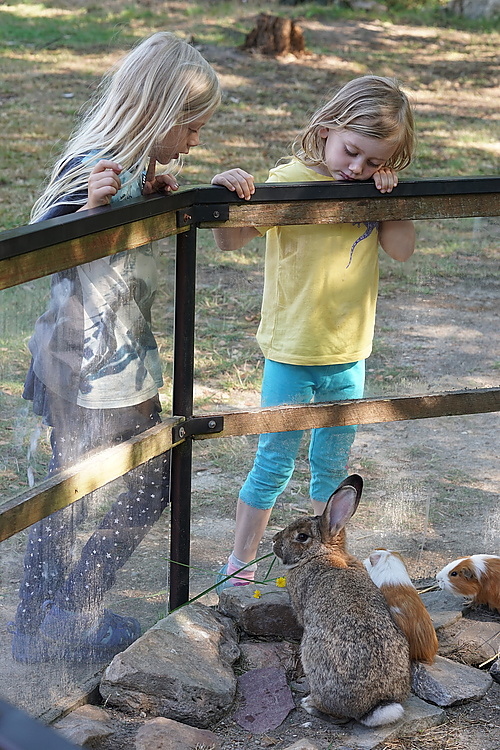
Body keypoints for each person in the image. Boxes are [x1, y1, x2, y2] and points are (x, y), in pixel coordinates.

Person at [9, 31, 221, 663]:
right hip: (81, 372)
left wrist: (147, 196)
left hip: (128, 365)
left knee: (150, 484)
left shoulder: (135, 171)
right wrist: (89, 209)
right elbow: (35, 246)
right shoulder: (91, 166)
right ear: (157, 112)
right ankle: (38, 627)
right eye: (191, 126)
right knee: (70, 494)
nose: (194, 140)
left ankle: (69, 610)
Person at [210, 75, 416, 592]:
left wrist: (389, 199)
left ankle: (327, 567)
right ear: (326, 130)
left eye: (373, 161)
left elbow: (402, 249)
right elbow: (230, 240)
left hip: (348, 356)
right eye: (351, 152)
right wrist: (226, 191)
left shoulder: (372, 190)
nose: (357, 168)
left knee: (331, 469)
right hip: (292, 353)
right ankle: (240, 563)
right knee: (273, 463)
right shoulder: (291, 178)